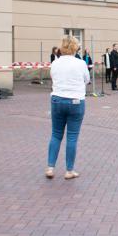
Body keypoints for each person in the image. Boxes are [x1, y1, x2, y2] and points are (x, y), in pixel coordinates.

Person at [46, 35, 90, 180]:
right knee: (72, 137)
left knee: (56, 134)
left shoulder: (55, 63)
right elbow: (87, 79)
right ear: (75, 47)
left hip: (57, 99)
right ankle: (69, 170)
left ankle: (50, 167)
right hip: (75, 101)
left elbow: (53, 77)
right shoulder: (81, 63)